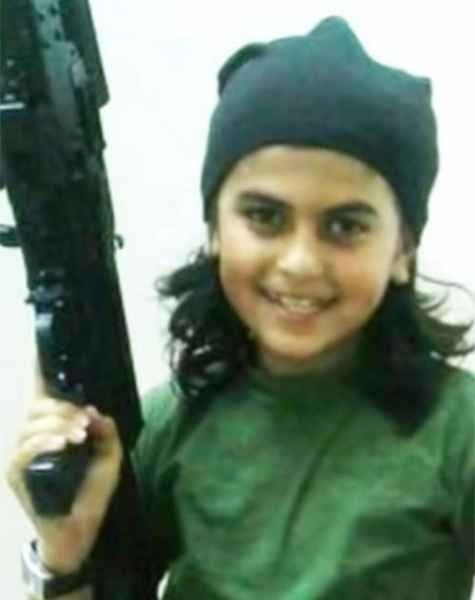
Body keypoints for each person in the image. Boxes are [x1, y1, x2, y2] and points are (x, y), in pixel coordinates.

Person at [6, 15, 475, 600]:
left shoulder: (458, 430)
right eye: (265, 217)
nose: (300, 262)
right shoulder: (164, 426)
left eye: (345, 225)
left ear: (402, 249)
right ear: (215, 230)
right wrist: (64, 554)